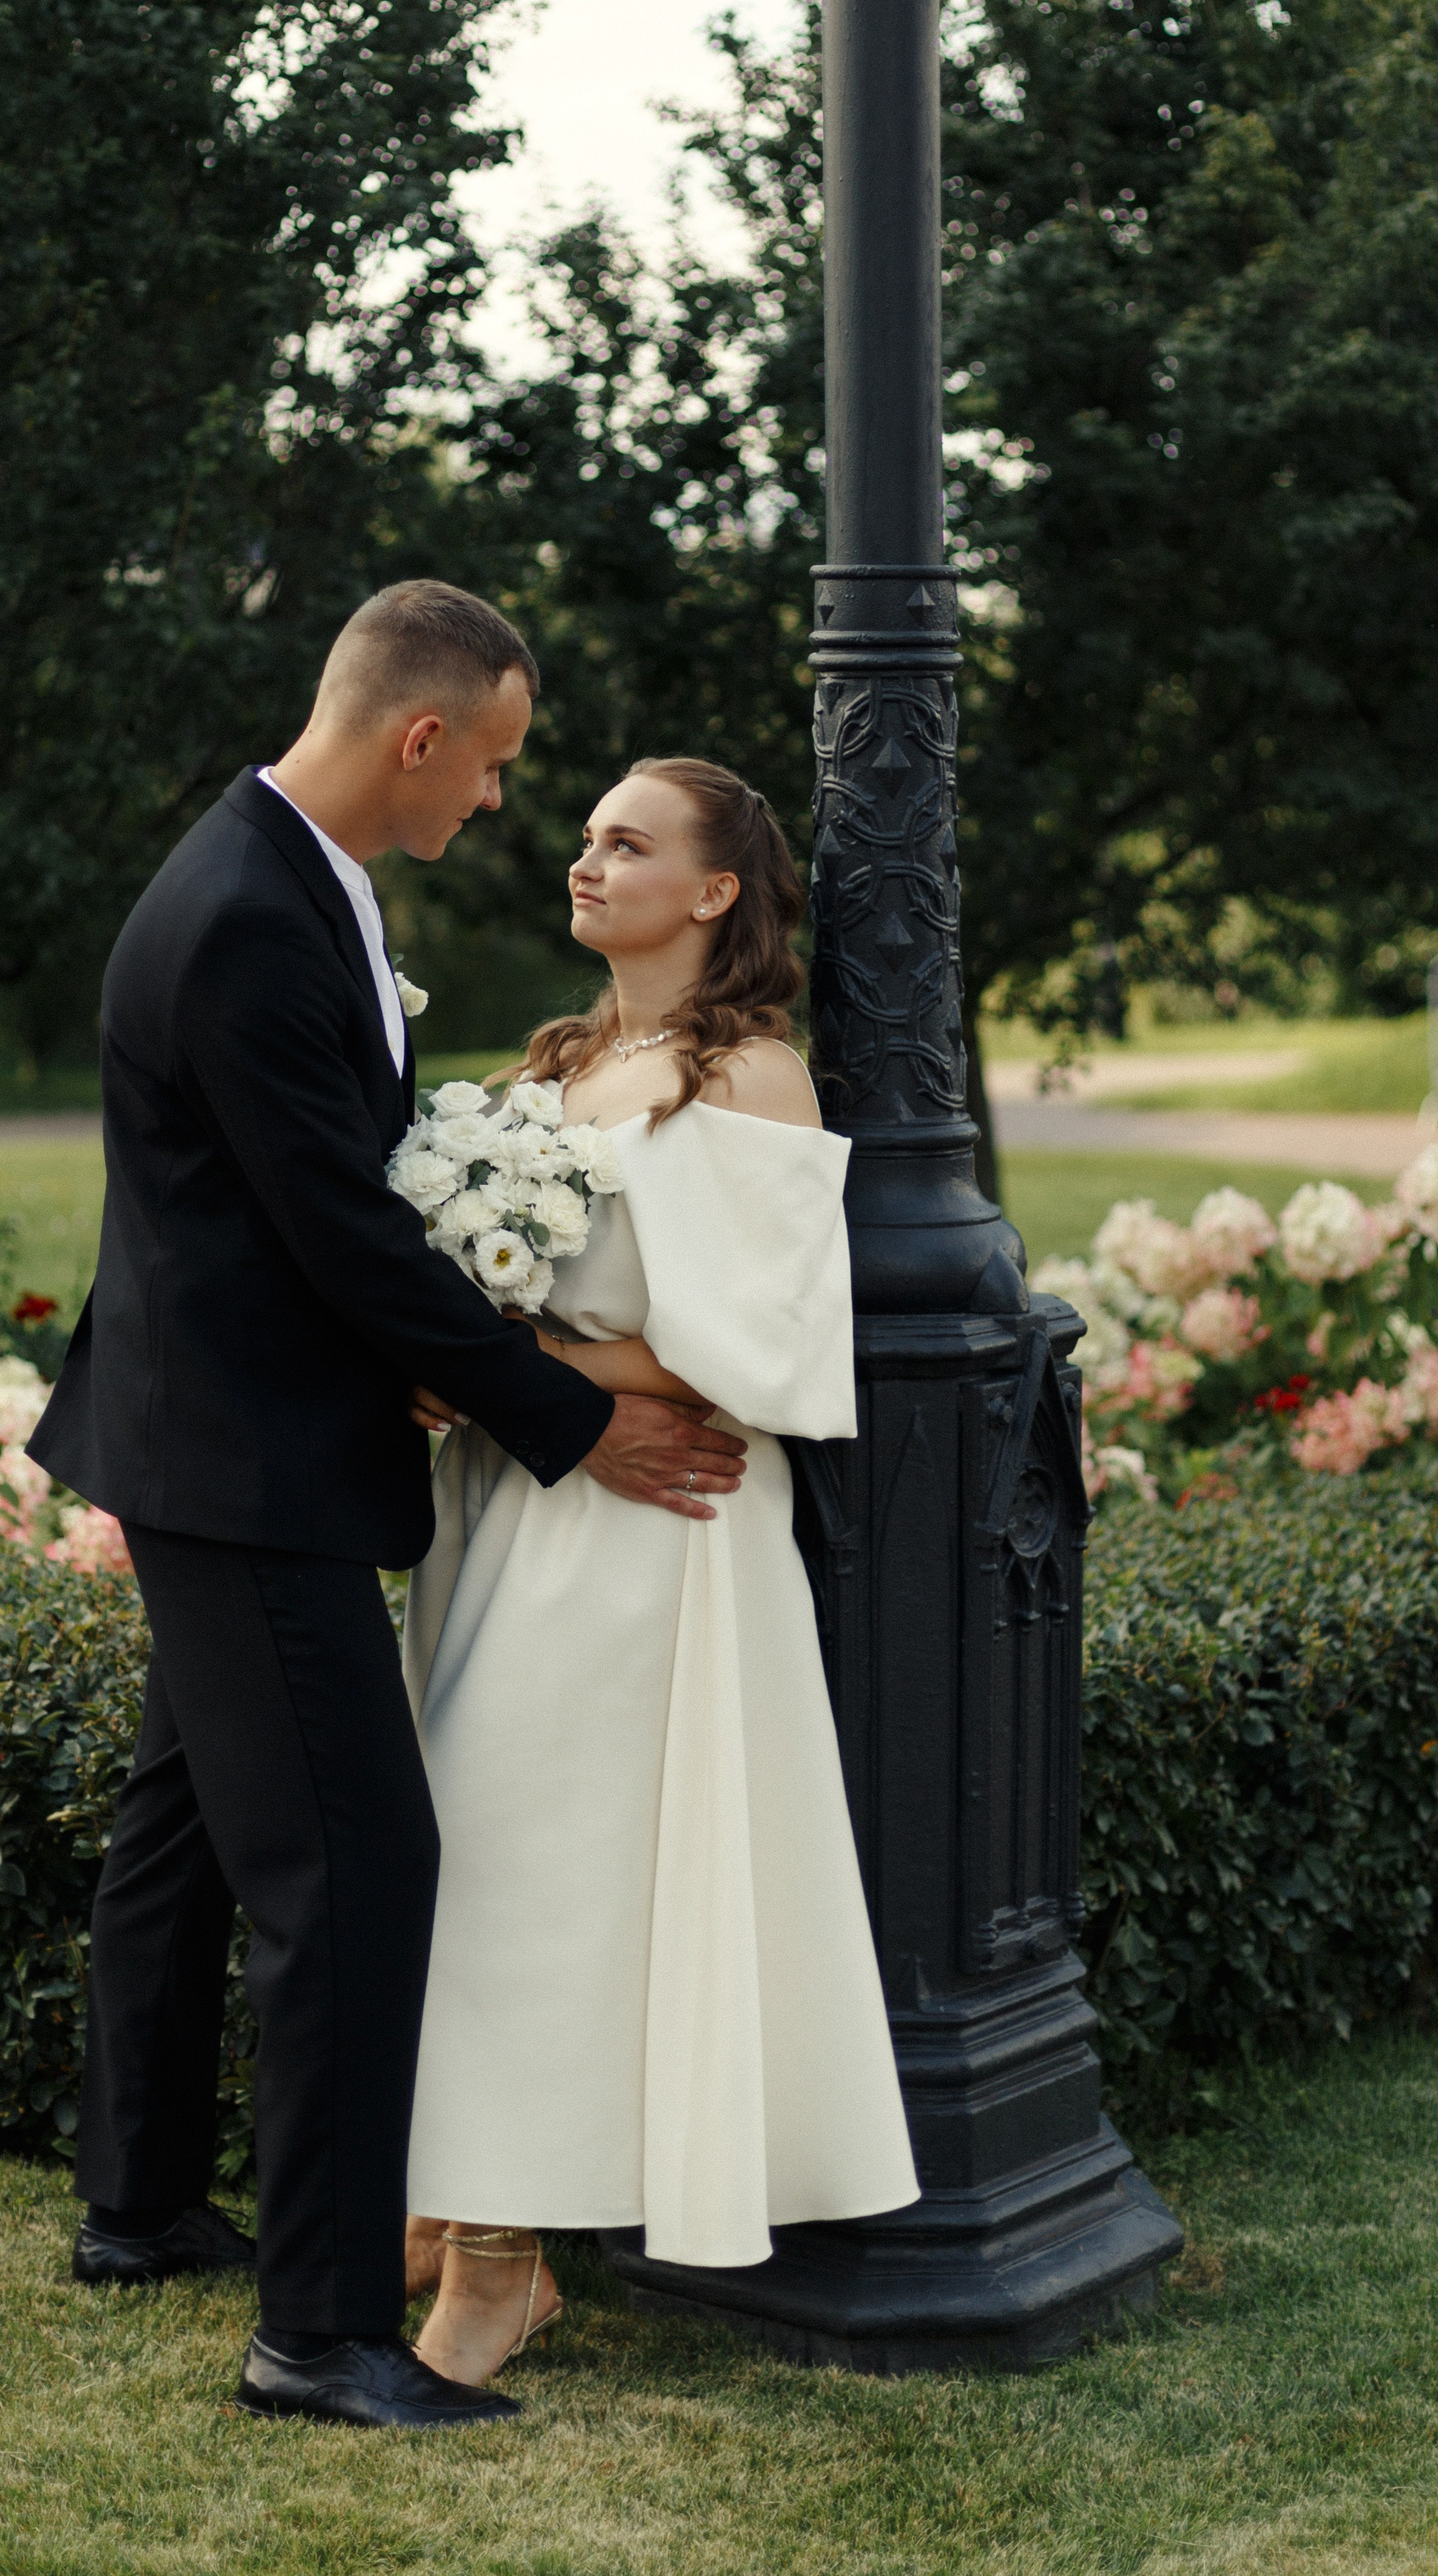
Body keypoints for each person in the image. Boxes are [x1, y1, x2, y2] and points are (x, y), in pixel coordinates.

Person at [29, 585, 748, 2433]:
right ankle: (321, 2329)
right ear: (417, 737)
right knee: (351, 1874)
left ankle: (129, 2205)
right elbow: (342, 1233)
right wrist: (562, 1423)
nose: (502, 803)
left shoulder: (281, 872)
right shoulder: (251, 918)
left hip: (204, 1432)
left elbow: (338, 1192)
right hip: (248, 1464)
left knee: (182, 1829)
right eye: (497, 764)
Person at [399, 757, 920, 2388]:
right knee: (477, 1862)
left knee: (534, 1869)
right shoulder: (553, 1069)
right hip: (516, 1516)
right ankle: (470, 2213)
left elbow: (750, 1355)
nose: (587, 857)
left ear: (714, 893)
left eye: (631, 842)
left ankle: (494, 2269)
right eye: (586, 834)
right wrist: (457, 1359)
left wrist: (513, 1351)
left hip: (660, 1538)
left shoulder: (751, 1078)